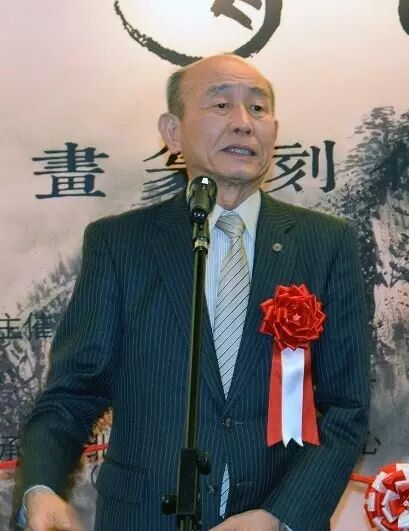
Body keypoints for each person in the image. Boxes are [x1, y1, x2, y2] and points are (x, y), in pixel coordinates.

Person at [16, 54, 370, 531]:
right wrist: (40, 487)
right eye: (221, 104)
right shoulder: (120, 243)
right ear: (173, 132)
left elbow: (345, 408)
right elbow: (72, 392)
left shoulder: (325, 243)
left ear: (274, 130)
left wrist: (278, 517)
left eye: (258, 108)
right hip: (144, 518)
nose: (243, 122)